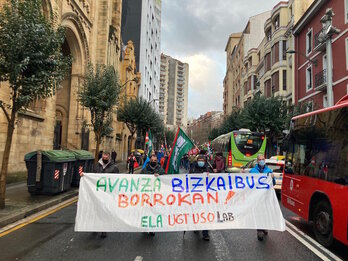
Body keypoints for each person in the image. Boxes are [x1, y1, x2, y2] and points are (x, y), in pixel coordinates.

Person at [80, 151, 119, 238]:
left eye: (106, 158)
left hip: (107, 193)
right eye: (103, 157)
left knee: (104, 211)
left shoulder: (114, 168)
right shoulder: (96, 166)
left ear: (109, 158)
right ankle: (95, 226)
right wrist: (84, 175)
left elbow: (117, 180)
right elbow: (91, 175)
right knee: (96, 210)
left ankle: (103, 229)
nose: (105, 159)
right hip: (97, 192)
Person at [249, 154, 275, 241]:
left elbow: (273, 183)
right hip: (257, 197)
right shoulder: (252, 171)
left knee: (265, 212)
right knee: (258, 213)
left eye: (262, 159)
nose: (261, 161)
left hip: (266, 196)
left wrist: (273, 178)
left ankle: (264, 227)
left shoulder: (269, 171)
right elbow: (248, 183)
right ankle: (259, 230)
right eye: (259, 159)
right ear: (257, 161)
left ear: (264, 160)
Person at [189, 153, 213, 241]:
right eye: (199, 161)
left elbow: (213, 179)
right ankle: (196, 225)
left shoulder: (208, 168)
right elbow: (189, 177)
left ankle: (205, 233)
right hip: (195, 195)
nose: (201, 162)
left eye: (202, 161)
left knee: (205, 213)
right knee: (196, 211)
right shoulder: (193, 167)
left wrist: (210, 174)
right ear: (197, 161)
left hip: (206, 195)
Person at [141, 154, 165, 236]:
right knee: (146, 211)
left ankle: (152, 228)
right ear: (149, 161)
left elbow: (165, 178)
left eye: (155, 161)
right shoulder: (144, 169)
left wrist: (160, 176)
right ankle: (144, 226)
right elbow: (140, 178)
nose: (153, 162)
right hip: (146, 194)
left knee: (154, 211)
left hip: (156, 196)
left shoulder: (160, 170)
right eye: (152, 161)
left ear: (157, 161)